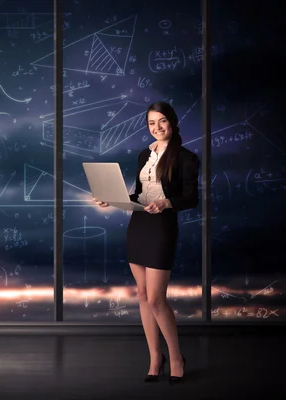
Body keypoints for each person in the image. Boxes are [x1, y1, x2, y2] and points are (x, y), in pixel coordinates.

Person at [93, 101, 200, 384]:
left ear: (173, 122)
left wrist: (167, 202)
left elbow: (192, 198)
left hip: (162, 227)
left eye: (162, 121)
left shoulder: (187, 158)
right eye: (151, 123)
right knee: (141, 295)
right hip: (139, 225)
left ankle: (176, 356)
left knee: (155, 298)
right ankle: (155, 357)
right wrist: (114, 199)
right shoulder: (144, 154)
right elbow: (140, 194)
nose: (157, 128)